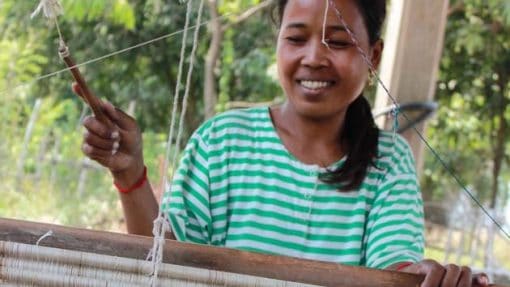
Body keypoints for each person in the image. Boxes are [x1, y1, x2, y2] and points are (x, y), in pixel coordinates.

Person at [78, 0, 490, 286]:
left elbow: (393, 267)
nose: (314, 57)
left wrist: (426, 276)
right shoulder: (222, 142)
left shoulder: (387, 160)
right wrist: (130, 174)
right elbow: (164, 261)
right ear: (278, 46)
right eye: (297, 38)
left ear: (374, 56)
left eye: (340, 41)